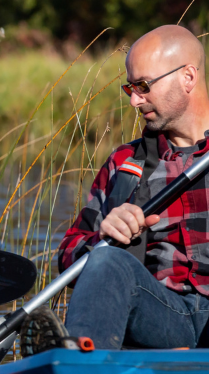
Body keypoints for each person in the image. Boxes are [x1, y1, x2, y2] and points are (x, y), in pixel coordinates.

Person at [21, 25, 209, 355]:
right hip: (163, 317)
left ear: (188, 77)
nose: (135, 100)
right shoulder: (125, 163)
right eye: (130, 88)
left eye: (144, 86)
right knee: (107, 261)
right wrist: (102, 238)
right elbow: (69, 254)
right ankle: (80, 367)